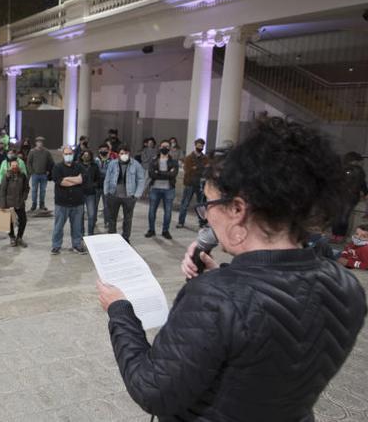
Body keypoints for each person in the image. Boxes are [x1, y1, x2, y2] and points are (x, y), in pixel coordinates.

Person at [97, 117, 367, 421]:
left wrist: (120, 310)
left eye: (210, 204)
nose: (207, 216)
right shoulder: (348, 288)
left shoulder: (215, 298)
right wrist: (221, 278)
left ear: (238, 209)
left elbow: (151, 388)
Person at [103, 146, 146, 243]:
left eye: (126, 153)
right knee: (112, 218)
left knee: (128, 219)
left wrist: (136, 195)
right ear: (118, 154)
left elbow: (141, 180)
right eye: (122, 153)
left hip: (129, 196)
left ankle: (125, 238)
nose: (124, 155)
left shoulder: (136, 164)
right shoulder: (112, 164)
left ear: (129, 153)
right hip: (113, 195)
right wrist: (106, 193)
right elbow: (107, 178)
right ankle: (112, 236)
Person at [50, 146, 87, 254]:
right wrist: (75, 180)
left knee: (77, 227)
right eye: (66, 154)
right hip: (62, 203)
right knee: (58, 227)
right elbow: (60, 182)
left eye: (70, 153)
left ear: (73, 154)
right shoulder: (57, 167)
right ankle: (56, 246)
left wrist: (67, 178)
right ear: (63, 155)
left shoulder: (80, 167)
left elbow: (82, 179)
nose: (68, 155)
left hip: (77, 203)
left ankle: (77, 245)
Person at [146, 139, 179, 239]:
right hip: (155, 188)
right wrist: (166, 173)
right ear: (160, 147)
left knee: (168, 211)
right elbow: (151, 174)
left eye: (167, 146)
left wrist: (159, 173)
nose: (165, 148)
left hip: (169, 189)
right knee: (152, 211)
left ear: (169, 148)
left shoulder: (173, 161)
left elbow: (173, 174)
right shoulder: (154, 160)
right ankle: (151, 230)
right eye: (163, 146)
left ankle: (165, 231)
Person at [332, 152, 367, 243]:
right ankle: (337, 235)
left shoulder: (355, 170)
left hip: (349, 196)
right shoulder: (354, 170)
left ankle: (338, 235)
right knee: (340, 216)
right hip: (345, 195)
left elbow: (362, 184)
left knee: (342, 216)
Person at [177, 139, 208, 229]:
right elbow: (188, 170)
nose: (200, 147)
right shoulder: (189, 158)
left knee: (201, 204)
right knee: (185, 203)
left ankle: (202, 222)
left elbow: (206, 169)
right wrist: (200, 167)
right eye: (199, 145)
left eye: (202, 146)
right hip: (190, 183)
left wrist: (197, 168)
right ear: (195, 145)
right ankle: (181, 222)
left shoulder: (205, 158)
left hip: (200, 183)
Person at [0, 157, 30, 247]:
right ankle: (12, 237)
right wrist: (3, 205)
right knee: (9, 221)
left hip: (19, 202)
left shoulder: (23, 176)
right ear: (10, 166)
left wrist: (24, 198)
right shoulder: (6, 176)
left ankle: (19, 237)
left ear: (18, 165)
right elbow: (2, 191)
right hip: (9, 203)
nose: (14, 167)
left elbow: (26, 188)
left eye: (16, 165)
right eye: (13, 165)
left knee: (23, 220)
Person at [26, 136, 53, 212]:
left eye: (41, 142)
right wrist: (31, 172)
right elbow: (28, 163)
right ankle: (34, 205)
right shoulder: (32, 152)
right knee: (34, 190)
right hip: (35, 175)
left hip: (44, 175)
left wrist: (48, 170)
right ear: (36, 143)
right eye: (38, 142)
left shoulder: (46, 152)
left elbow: (51, 162)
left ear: (42, 143)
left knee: (43, 190)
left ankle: (42, 204)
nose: (40, 143)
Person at [78, 149, 101, 236]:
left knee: (91, 215)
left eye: (88, 155)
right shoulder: (78, 166)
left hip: (91, 194)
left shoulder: (94, 166)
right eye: (84, 155)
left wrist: (93, 185)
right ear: (82, 156)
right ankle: (81, 233)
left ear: (91, 156)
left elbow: (98, 178)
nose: (86, 157)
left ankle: (90, 233)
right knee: (80, 215)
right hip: (80, 193)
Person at [95, 146, 114, 231]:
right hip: (96, 187)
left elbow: (111, 173)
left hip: (107, 187)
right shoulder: (95, 161)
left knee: (107, 206)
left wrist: (101, 173)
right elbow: (94, 173)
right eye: (102, 150)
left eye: (105, 150)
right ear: (99, 151)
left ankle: (107, 222)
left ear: (108, 151)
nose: (103, 151)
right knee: (94, 205)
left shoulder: (112, 161)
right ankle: (93, 221)